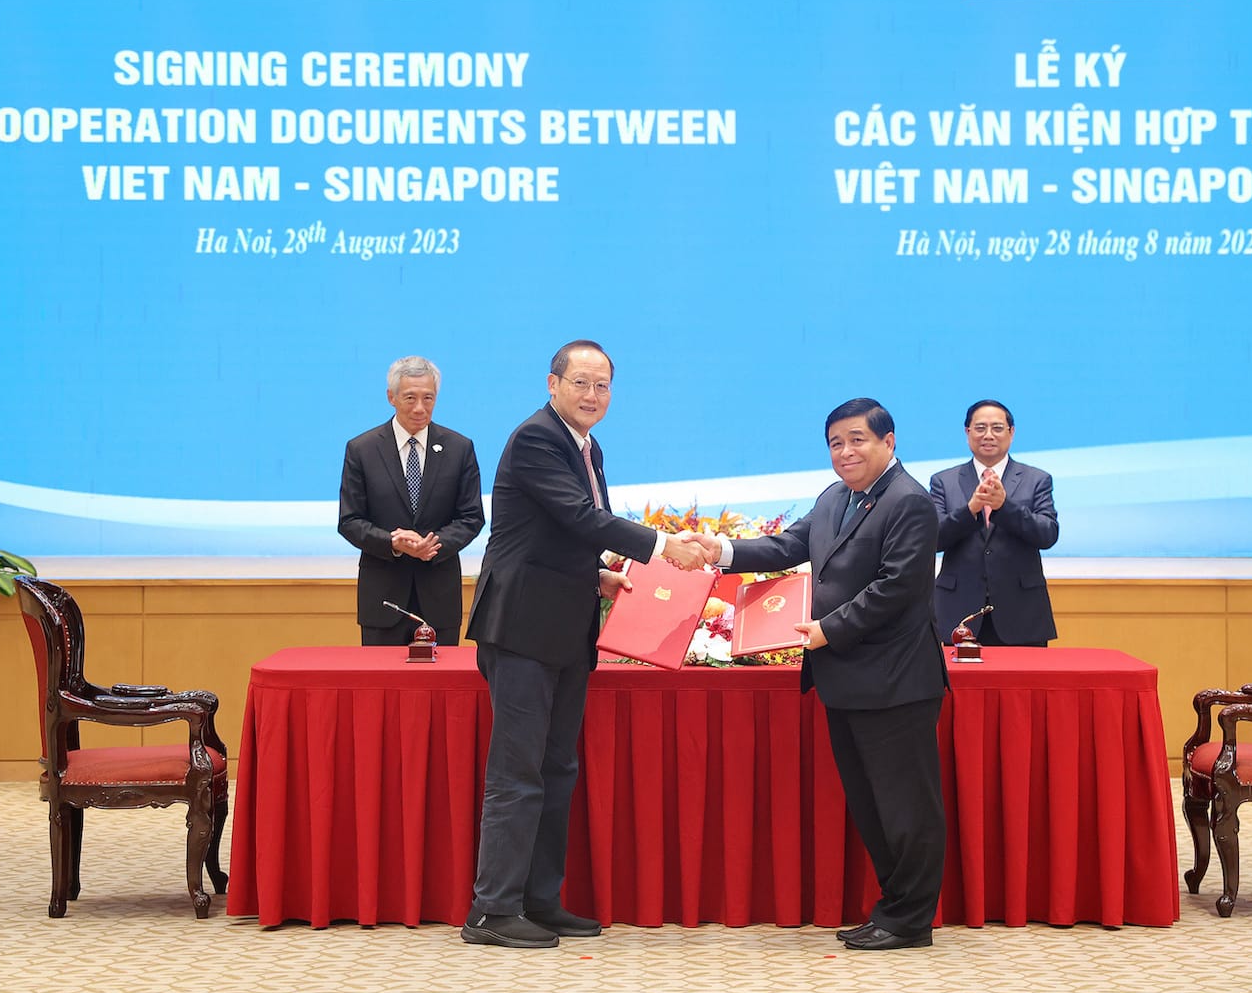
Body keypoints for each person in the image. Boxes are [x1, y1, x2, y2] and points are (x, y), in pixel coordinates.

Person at [461, 340, 709, 949]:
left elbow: (553, 533)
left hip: (567, 624)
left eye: (603, 385)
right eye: (581, 383)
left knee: (557, 769)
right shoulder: (538, 438)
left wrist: (596, 574)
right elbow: (578, 516)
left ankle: (539, 900)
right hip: (521, 628)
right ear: (552, 385)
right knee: (518, 773)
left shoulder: (588, 445)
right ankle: (491, 911)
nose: (592, 395)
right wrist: (661, 546)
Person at [686, 398, 947, 950]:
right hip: (846, 679)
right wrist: (722, 549)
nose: (845, 452)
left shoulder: (910, 503)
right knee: (872, 804)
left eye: (857, 440)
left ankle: (911, 919)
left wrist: (828, 628)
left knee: (905, 805)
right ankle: (893, 909)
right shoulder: (836, 497)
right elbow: (789, 544)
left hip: (896, 681)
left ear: (889, 441)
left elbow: (896, 588)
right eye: (835, 443)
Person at [338, 356, 486, 646]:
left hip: (439, 598)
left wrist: (431, 544)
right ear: (391, 397)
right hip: (382, 599)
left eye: (428, 398)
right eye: (410, 398)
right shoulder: (362, 449)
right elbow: (350, 520)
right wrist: (392, 542)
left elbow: (471, 517)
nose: (420, 407)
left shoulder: (459, 448)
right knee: (384, 688)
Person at [928, 400, 1059, 648]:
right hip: (958, 612)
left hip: (1021, 612)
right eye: (980, 428)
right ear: (967, 433)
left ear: (1011, 432)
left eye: (997, 428)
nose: (988, 435)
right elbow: (932, 539)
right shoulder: (944, 481)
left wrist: (1004, 507)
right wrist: (970, 510)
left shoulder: (1037, 479)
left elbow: (1048, 534)